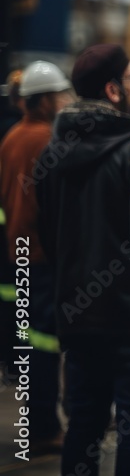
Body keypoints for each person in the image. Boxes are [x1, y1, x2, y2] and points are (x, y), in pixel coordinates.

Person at [36, 45, 130, 475]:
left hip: (78, 314)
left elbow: (49, 237)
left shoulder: (51, 158)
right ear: (113, 90)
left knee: (83, 425)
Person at [0, 60, 73, 452]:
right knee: (45, 346)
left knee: (30, 342)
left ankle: (40, 419)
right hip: (43, 258)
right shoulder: (49, 139)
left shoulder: (11, 138)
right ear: (43, 101)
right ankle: (45, 429)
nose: (64, 101)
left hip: (19, 254)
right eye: (59, 95)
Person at [0, 69, 24, 382]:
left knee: (10, 301)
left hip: (8, 231)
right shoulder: (18, 133)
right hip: (18, 233)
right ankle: (17, 365)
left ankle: (10, 363)